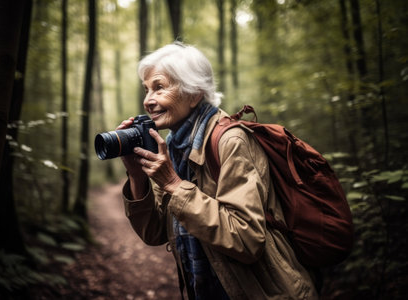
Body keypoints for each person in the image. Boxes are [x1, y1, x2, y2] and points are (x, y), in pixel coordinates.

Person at [117, 42, 319, 299]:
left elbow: (247, 240)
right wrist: (136, 175)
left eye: (159, 87)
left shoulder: (229, 141)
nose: (147, 101)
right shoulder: (174, 147)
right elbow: (154, 233)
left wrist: (175, 185)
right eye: (146, 90)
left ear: (194, 93)